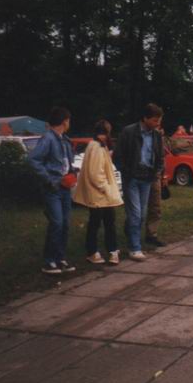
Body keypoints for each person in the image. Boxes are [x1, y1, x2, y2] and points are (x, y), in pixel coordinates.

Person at [28, 107, 77, 274]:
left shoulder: (65, 140)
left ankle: (60, 258)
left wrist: (72, 173)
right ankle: (49, 261)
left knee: (65, 224)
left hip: (65, 189)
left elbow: (67, 162)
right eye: (69, 120)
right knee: (57, 223)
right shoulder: (48, 139)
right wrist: (49, 179)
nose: (69, 123)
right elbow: (34, 160)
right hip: (52, 188)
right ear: (64, 121)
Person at [113, 103, 164, 261]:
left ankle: (132, 237)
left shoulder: (156, 135)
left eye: (159, 120)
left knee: (141, 214)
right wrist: (126, 172)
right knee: (135, 214)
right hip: (132, 178)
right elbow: (117, 155)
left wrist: (157, 171)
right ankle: (134, 248)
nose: (157, 124)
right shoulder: (129, 132)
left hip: (147, 178)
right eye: (155, 120)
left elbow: (160, 157)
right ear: (145, 118)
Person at [73, 120, 123, 265]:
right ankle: (93, 252)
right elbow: (95, 175)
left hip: (101, 195)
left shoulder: (98, 146)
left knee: (106, 222)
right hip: (100, 194)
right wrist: (107, 189)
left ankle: (111, 250)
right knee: (99, 223)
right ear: (107, 132)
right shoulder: (96, 147)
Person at [145, 126, 166, 247]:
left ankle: (152, 234)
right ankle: (132, 232)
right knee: (139, 209)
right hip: (140, 175)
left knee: (155, 206)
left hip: (154, 176)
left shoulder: (159, 137)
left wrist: (161, 175)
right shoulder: (141, 135)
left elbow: (162, 157)